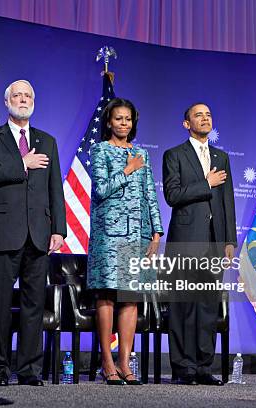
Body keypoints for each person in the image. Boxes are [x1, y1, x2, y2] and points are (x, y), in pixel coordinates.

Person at [0, 80, 66, 386]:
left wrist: (59, 228)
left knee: (34, 305)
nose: (23, 99)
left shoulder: (47, 141)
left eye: (28, 95)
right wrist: (22, 163)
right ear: (6, 102)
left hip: (39, 233)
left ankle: (30, 370)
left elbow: (54, 188)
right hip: (4, 230)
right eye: (17, 95)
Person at [87, 97, 163, 385]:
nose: (124, 123)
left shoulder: (141, 153)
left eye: (128, 119)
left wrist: (156, 232)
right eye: (118, 118)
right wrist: (127, 170)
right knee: (107, 294)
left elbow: (150, 195)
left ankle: (125, 363)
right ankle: (106, 361)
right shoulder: (101, 150)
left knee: (131, 297)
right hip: (109, 233)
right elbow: (101, 189)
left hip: (138, 234)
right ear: (109, 122)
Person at [162, 103, 237, 386]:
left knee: (207, 306)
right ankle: (183, 368)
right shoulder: (174, 155)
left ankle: (204, 366)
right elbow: (173, 194)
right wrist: (206, 183)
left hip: (214, 242)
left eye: (208, 115)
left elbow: (227, 200)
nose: (204, 118)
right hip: (185, 241)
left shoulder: (222, 157)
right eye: (198, 115)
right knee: (183, 306)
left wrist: (229, 240)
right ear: (186, 123)